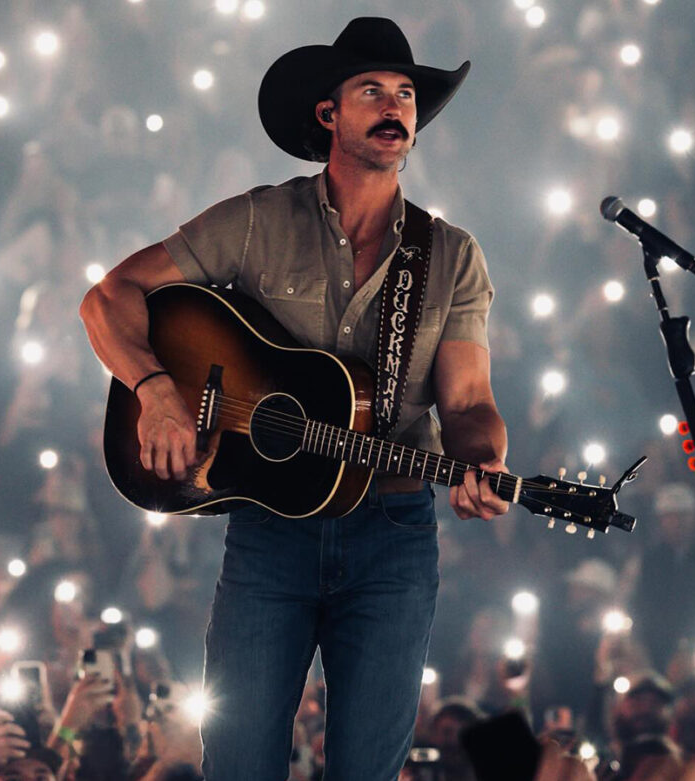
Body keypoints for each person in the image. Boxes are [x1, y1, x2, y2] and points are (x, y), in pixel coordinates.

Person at [79, 16, 510, 780]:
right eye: (371, 90)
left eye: (406, 93)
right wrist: (157, 392)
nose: (394, 106)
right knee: (238, 763)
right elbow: (109, 296)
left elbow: (469, 402)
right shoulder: (256, 220)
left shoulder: (449, 254)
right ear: (329, 114)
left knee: (365, 770)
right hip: (269, 533)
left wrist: (483, 461)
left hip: (393, 531)